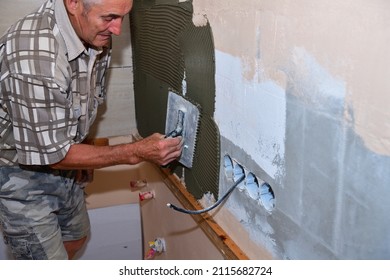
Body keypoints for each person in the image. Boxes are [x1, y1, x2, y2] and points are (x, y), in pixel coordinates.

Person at [0, 0, 183, 260]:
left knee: (76, 237)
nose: (118, 29)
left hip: (62, 157)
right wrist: (134, 152)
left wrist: (82, 146)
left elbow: (81, 99)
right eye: (109, 17)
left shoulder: (93, 32)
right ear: (73, 3)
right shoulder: (37, 57)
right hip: (18, 170)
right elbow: (54, 155)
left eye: (123, 17)